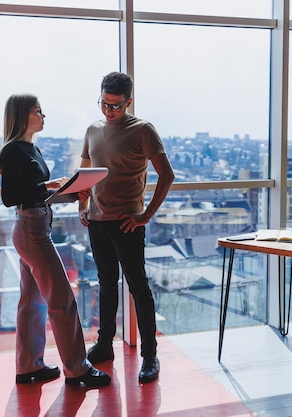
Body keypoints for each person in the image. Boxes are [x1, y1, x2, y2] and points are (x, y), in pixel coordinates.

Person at [0, 93, 110, 388]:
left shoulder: (31, 149)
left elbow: (34, 192)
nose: (43, 115)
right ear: (23, 115)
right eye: (38, 110)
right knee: (62, 300)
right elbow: (11, 197)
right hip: (32, 229)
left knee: (32, 302)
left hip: (36, 225)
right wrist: (47, 185)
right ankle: (77, 370)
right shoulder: (13, 151)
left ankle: (28, 366)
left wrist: (69, 191)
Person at [78, 72, 175, 383]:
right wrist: (83, 207)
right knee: (106, 284)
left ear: (129, 102)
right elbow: (85, 175)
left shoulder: (143, 130)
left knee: (138, 286)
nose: (108, 111)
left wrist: (145, 215)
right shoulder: (92, 129)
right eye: (104, 104)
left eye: (115, 106)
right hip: (97, 220)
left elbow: (167, 175)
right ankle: (105, 344)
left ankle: (150, 355)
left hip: (127, 221)